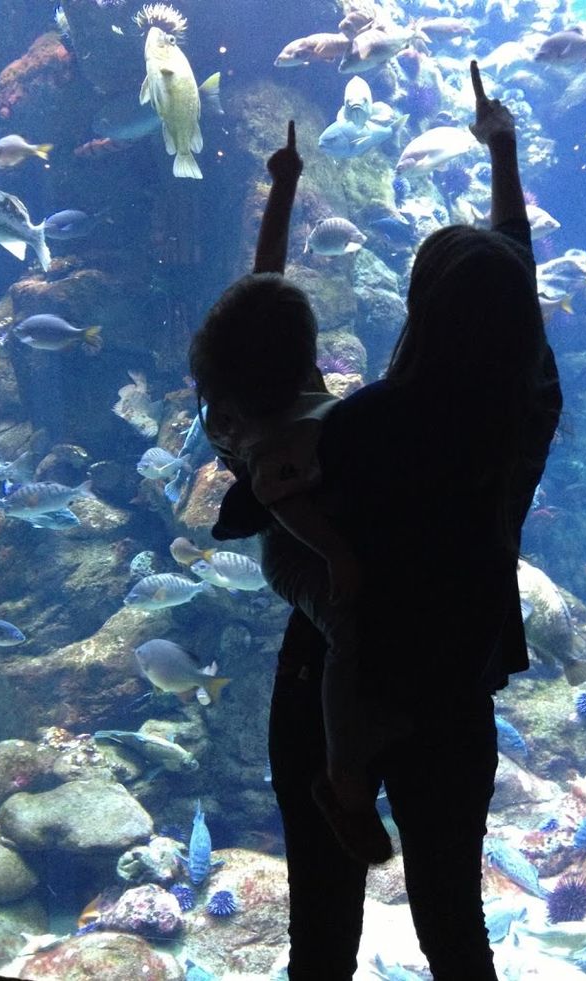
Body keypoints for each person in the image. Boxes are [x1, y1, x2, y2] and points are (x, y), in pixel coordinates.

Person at [265, 61, 563, 981]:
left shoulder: (359, 424)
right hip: (455, 679)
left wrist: (282, 197)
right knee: (453, 921)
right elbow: (512, 270)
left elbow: (263, 351)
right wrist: (503, 150)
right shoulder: (526, 415)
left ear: (415, 309)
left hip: (333, 681)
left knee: (321, 925)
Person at [188, 122, 393, 865]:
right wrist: (337, 554)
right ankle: (343, 779)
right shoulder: (275, 435)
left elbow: (267, 274)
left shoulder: (269, 377)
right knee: (353, 631)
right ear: (301, 360)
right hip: (294, 542)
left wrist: (284, 183)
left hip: (319, 506)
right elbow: (284, 502)